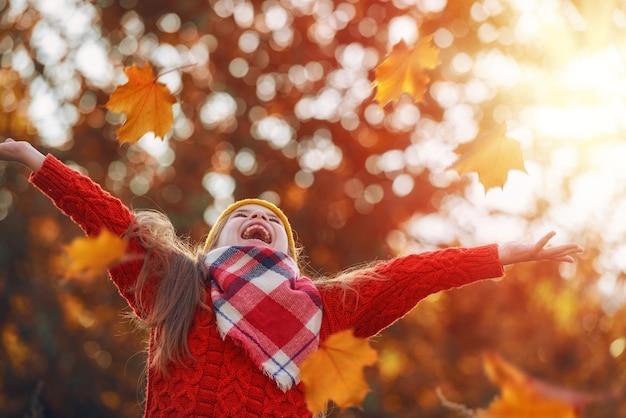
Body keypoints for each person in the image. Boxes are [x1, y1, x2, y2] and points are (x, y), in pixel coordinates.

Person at [0, 138, 582, 417]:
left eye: (268, 221)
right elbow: (113, 222)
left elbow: (409, 275)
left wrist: (502, 254)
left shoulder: (323, 308)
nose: (256, 220)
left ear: (289, 250)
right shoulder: (175, 285)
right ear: (213, 245)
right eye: (241, 218)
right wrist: (35, 161)